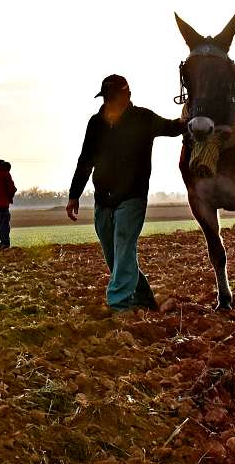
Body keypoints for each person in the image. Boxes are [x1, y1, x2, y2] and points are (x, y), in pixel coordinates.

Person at [67, 74, 185, 312]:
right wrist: (74, 194)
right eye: (106, 98)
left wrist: (190, 119)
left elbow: (172, 128)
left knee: (123, 245)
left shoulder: (143, 118)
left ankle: (118, 303)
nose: (109, 102)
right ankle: (142, 298)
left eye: (114, 97)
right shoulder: (96, 123)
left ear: (127, 95)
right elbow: (85, 160)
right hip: (103, 198)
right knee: (114, 256)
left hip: (132, 196)